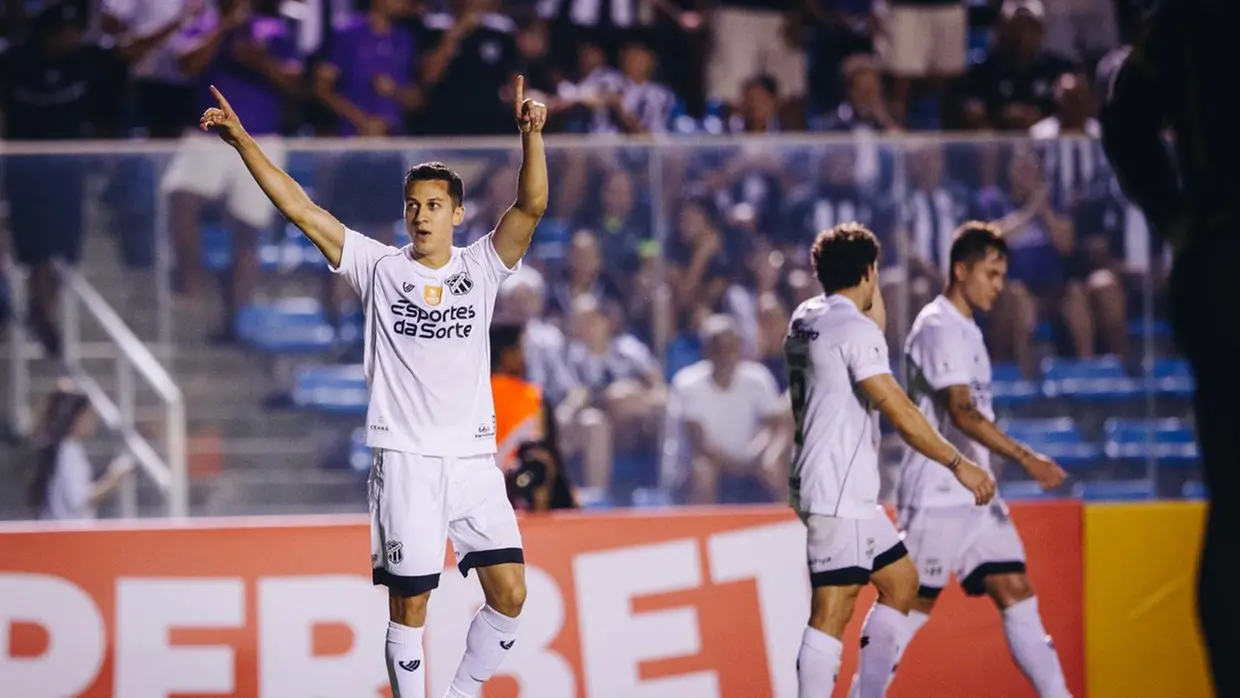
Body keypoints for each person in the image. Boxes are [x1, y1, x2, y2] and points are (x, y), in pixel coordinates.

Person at [199, 75, 548, 698]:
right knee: (410, 609)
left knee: (512, 595)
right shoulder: (379, 266)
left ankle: (460, 693)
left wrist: (532, 137)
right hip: (406, 458)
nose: (421, 215)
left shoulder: (482, 266)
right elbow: (300, 209)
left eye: (434, 205)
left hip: (472, 460)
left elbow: (531, 208)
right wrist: (244, 141)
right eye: (413, 205)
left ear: (457, 214)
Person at [845, 222, 1071, 698]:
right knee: (907, 608)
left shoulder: (966, 328)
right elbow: (962, 412)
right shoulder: (938, 326)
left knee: (1016, 590)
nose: (998, 285)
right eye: (990, 273)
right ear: (961, 269)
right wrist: (1026, 457)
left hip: (977, 496)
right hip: (938, 494)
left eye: (1002, 275)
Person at [785, 222, 996, 698]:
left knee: (901, 581)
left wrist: (866, 277)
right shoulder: (853, 330)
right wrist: (959, 464)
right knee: (832, 610)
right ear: (868, 272)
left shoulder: (807, 316)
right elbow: (900, 412)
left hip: (828, 482)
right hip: (838, 488)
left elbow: (869, 326)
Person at [1096, 2, 1239, 693]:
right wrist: (1185, 224)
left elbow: (1124, 116)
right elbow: (1125, 117)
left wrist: (1182, 224)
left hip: (1219, 267)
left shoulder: (1188, 16)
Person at [490, 323, 577, 512]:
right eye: (520, 350)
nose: (525, 357)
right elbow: (548, 454)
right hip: (521, 496)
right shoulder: (532, 398)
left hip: (477, 494)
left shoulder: (471, 396)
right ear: (507, 356)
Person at [26, 385, 135, 521]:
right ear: (75, 418)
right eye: (88, 416)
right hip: (69, 530)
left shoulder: (66, 449)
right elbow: (79, 501)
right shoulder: (67, 452)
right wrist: (112, 479)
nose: (93, 422)